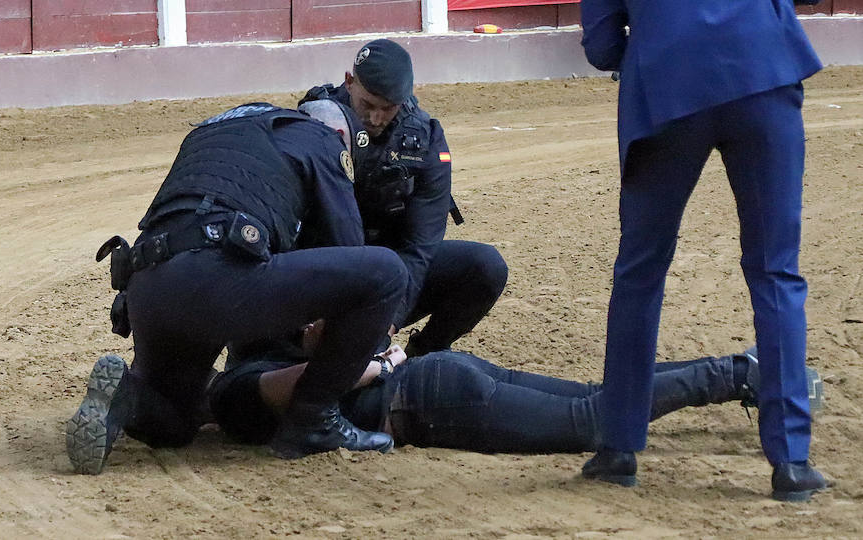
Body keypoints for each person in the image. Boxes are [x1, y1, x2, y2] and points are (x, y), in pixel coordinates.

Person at [577, 0, 830, 502]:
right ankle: (791, 464)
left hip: (666, 100)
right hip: (762, 79)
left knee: (640, 272)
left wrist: (662, 47)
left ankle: (619, 446)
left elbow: (601, 47)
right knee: (775, 270)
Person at [64, 100, 409, 474]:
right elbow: (348, 252)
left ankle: (126, 398)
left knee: (174, 421)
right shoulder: (323, 137)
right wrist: (370, 352)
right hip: (217, 279)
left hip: (148, 286)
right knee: (386, 272)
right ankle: (314, 420)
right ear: (340, 136)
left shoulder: (216, 129)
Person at [212, 323, 771, 457]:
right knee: (595, 399)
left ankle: (737, 375)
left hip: (428, 400)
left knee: (595, 420)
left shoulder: (237, 388)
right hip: (439, 377)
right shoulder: (250, 369)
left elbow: (301, 386)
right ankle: (738, 371)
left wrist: (377, 368)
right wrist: (383, 359)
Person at [302, 39, 509, 352]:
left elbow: (419, 247)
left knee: (485, 266)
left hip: (389, 269)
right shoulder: (315, 121)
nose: (375, 119)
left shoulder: (425, 139)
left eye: (388, 108)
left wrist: (386, 322)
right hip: (317, 270)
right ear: (349, 81)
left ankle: (420, 356)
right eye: (368, 105)